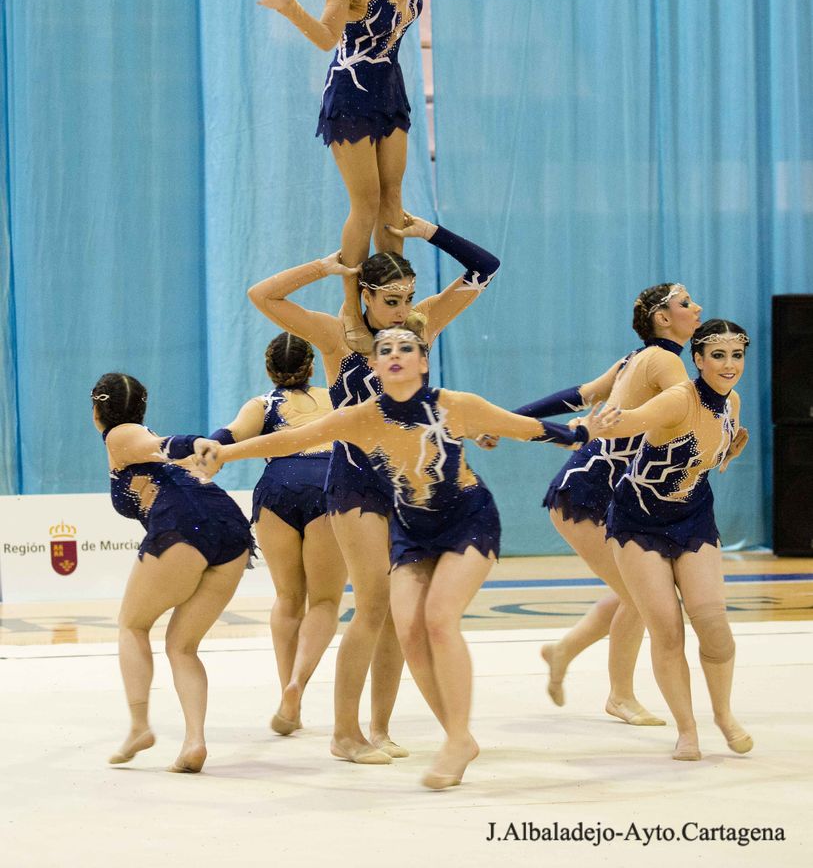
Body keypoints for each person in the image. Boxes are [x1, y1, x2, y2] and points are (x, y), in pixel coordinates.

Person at [190, 325, 581, 790]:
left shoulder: (455, 404)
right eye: (385, 349)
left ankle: (455, 738)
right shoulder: (360, 417)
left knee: (438, 619)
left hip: (467, 520)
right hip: (413, 531)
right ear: (374, 366)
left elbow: (528, 428)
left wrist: (584, 434)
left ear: (423, 362)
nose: (395, 354)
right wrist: (225, 452)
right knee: (409, 631)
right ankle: (456, 737)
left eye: (406, 348)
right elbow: (290, 440)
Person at [244, 211, 499, 764]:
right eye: (390, 300)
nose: (401, 311)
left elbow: (485, 267)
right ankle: (344, 733)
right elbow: (262, 296)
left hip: (407, 485)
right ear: (365, 294)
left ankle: (379, 728)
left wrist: (429, 233)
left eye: (408, 298)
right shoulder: (338, 337)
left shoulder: (419, 329)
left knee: (400, 615)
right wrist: (326, 267)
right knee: (372, 606)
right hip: (355, 484)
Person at [249, 0, 469, 335]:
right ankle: (351, 307)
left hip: (390, 89)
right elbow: (325, 37)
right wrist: (289, 7)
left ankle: (395, 299)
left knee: (393, 199)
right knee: (366, 204)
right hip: (351, 94)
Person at [495, 284, 701, 722]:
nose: (696, 308)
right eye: (686, 303)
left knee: (637, 593)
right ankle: (618, 695)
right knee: (643, 596)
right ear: (663, 318)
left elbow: (578, 395)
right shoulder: (664, 361)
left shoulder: (634, 359)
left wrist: (509, 420)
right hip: (588, 492)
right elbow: (686, 416)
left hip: (602, 491)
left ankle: (564, 651)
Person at [581, 319, 752, 761]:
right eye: (718, 355)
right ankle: (687, 730)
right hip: (638, 522)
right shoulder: (680, 397)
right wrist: (594, 425)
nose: (729, 364)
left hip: (693, 517)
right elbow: (633, 421)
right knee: (668, 631)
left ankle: (724, 715)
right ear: (697, 359)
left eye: (736, 355)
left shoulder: (732, 402)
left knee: (714, 628)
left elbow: (708, 449)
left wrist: (732, 447)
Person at [162, 333, 346, 737]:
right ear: (311, 366)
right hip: (329, 485)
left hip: (277, 489)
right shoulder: (336, 397)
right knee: (325, 600)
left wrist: (194, 456)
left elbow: (224, 438)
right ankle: (298, 681)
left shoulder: (262, 404)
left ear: (268, 369)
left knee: (288, 597)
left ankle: (287, 696)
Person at [91, 372, 254, 774]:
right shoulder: (152, 448)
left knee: (132, 625)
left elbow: (164, 444)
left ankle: (139, 727)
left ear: (97, 409)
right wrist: (207, 446)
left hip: (183, 527)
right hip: (231, 530)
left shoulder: (120, 435)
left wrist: (195, 442)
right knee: (182, 645)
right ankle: (194, 742)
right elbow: (181, 455)